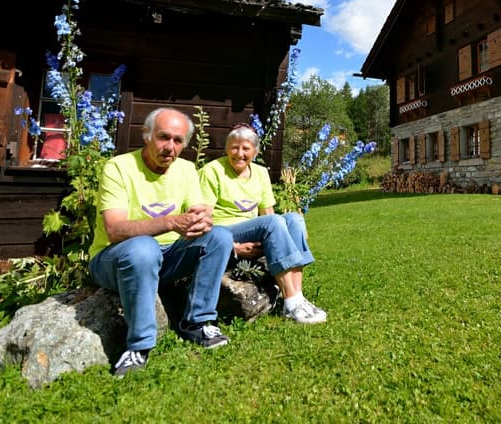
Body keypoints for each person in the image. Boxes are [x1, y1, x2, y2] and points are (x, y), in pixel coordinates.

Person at [89, 108, 234, 378]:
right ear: (147, 135)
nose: (170, 147)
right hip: (114, 259)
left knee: (220, 237)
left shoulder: (186, 169)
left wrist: (203, 221)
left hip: (166, 256)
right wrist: (170, 222)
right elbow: (114, 230)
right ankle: (139, 345)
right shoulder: (119, 167)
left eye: (178, 140)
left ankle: (196, 323)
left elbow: (199, 211)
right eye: (163, 137)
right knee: (143, 248)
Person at [199, 123, 327, 325]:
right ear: (227, 149)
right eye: (234, 147)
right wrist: (233, 247)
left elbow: (268, 212)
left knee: (294, 219)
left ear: (255, 152)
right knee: (273, 222)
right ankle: (292, 302)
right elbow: (203, 219)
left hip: (254, 229)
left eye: (246, 148)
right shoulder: (212, 171)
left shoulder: (260, 173)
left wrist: (277, 238)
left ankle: (298, 298)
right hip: (224, 233)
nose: (239, 153)